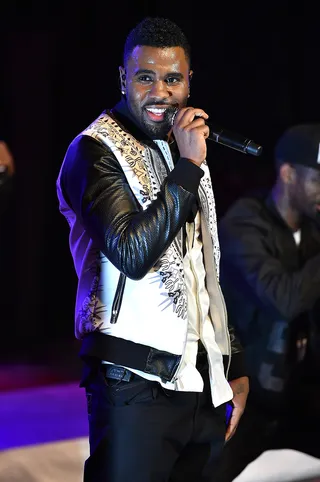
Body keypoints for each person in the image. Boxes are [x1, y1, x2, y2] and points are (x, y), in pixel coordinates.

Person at [56, 16, 249, 482]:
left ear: (188, 82)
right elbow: (132, 251)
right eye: (145, 77)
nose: (160, 92)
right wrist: (188, 167)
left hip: (197, 379)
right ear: (123, 78)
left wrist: (231, 360)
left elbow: (203, 268)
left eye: (172, 79)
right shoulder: (93, 152)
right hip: (131, 385)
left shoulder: (181, 148)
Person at [215, 124, 320, 481]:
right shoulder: (243, 223)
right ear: (288, 174)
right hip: (246, 398)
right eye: (317, 178)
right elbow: (285, 299)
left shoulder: (313, 227)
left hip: (300, 394)